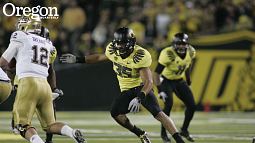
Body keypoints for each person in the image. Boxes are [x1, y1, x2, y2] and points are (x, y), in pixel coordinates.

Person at [60, 27, 185, 143]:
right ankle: (141, 134)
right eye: (118, 43)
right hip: (126, 90)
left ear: (131, 43)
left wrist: (139, 98)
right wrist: (78, 59)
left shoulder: (140, 55)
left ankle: (180, 141)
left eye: (122, 43)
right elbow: (99, 58)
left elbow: (149, 82)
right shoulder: (113, 50)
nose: (119, 46)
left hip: (140, 88)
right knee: (115, 112)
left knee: (159, 114)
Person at [0, 13, 86, 143]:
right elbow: (51, 69)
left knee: (22, 125)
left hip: (28, 83)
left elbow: (4, 61)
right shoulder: (47, 42)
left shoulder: (21, 36)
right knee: (50, 126)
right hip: (45, 86)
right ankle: (71, 132)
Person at [6, 26, 64, 143]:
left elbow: (51, 71)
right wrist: (11, 85)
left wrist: (54, 88)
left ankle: (46, 139)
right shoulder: (26, 45)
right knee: (33, 114)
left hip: (33, 83)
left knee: (47, 110)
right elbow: (10, 69)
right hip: (28, 82)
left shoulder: (47, 48)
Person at [153, 33, 196, 142]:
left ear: (187, 44)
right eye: (179, 44)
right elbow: (157, 73)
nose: (181, 46)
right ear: (174, 44)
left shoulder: (191, 52)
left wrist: (189, 82)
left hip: (179, 80)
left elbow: (188, 66)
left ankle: (184, 130)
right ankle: (164, 134)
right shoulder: (167, 53)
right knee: (168, 105)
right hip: (167, 81)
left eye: (183, 44)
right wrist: (160, 89)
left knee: (192, 105)